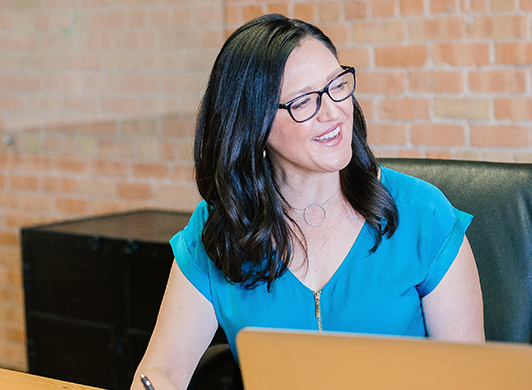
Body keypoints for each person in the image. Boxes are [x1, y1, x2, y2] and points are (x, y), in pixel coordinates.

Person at [132, 14, 484, 390]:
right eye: (303, 102)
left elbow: (470, 380)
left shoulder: (422, 214)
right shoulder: (220, 229)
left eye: (336, 86)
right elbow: (161, 370)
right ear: (254, 124)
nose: (333, 112)